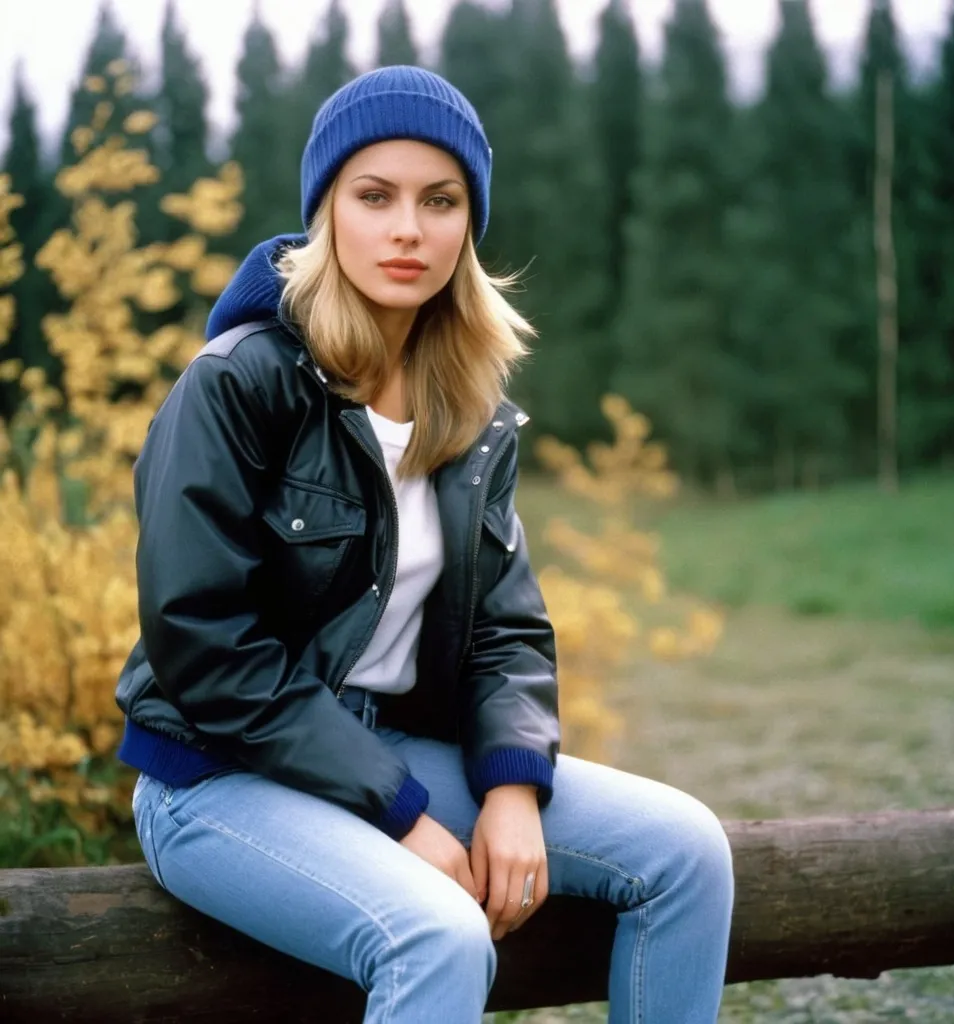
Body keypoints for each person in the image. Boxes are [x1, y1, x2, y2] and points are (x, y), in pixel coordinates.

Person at [116, 65, 734, 1023]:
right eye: (376, 196)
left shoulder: (471, 409)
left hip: (389, 754)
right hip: (218, 780)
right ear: (328, 213)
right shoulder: (236, 385)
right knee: (435, 933)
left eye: (439, 201)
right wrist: (401, 812)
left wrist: (513, 786)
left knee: (687, 849)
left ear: (468, 227)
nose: (409, 228)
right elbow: (205, 646)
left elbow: (505, 628)